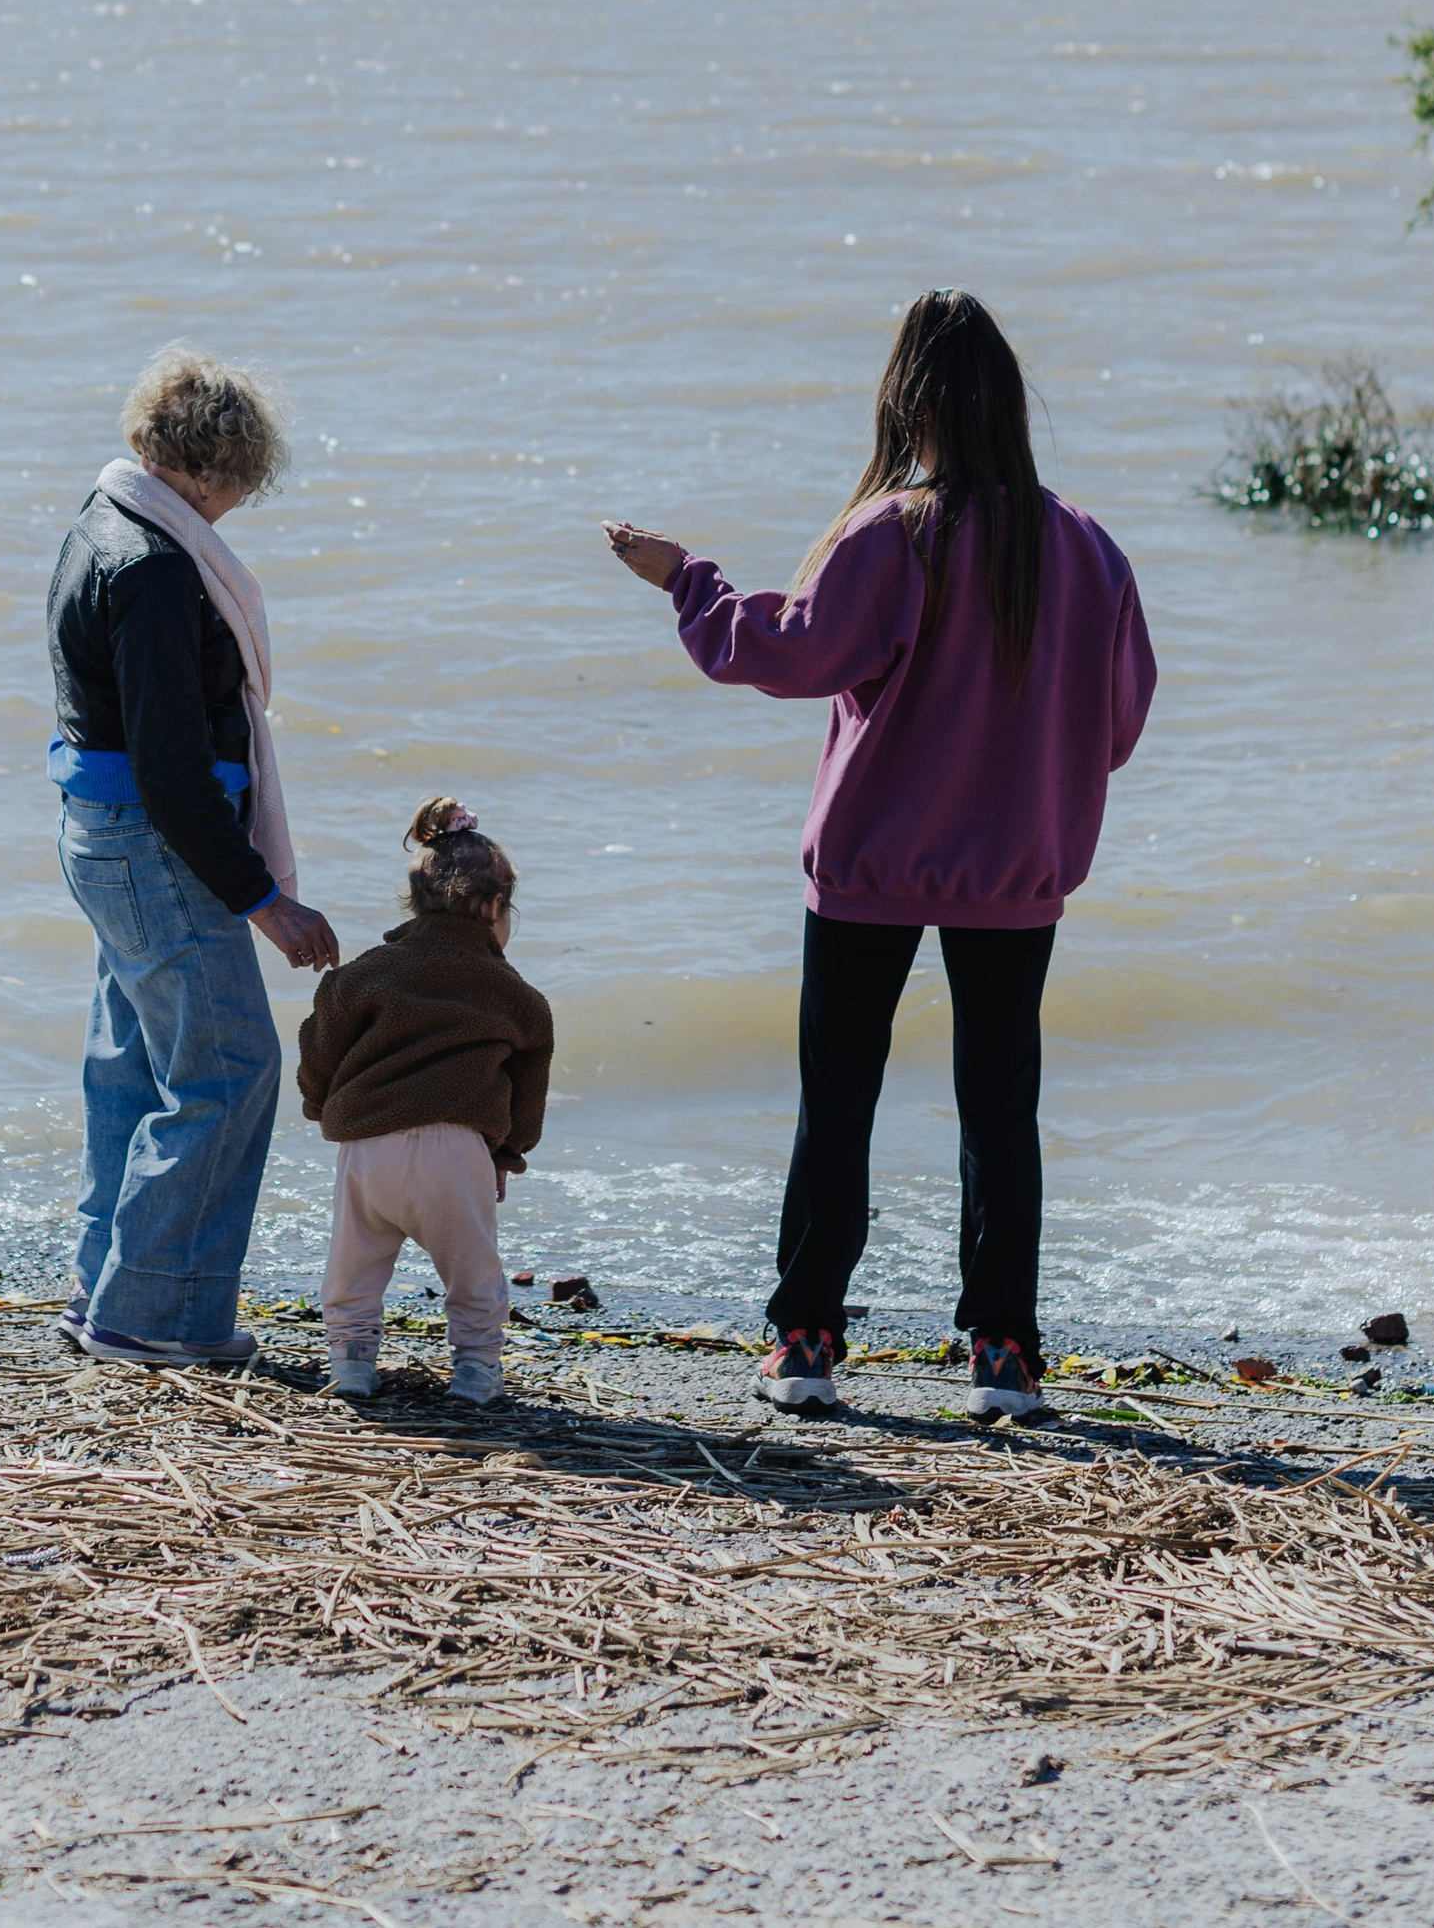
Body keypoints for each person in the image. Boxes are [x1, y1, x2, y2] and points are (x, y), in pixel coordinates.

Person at [604, 289, 1154, 1427]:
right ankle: (1005, 1359)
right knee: (1001, 1109)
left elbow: (784, 652)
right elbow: (1121, 717)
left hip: (867, 870)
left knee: (837, 1099)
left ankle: (806, 1345)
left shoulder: (890, 533)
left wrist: (684, 577)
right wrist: (1035, 778)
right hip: (1016, 874)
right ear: (1009, 402)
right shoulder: (1088, 548)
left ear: (908, 401)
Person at [47, 348, 338, 1370]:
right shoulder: (159, 568)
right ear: (216, 469)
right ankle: (157, 1313)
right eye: (244, 481)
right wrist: (266, 902)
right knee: (228, 1068)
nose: (240, 503)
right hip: (154, 843)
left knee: (130, 1067)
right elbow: (173, 770)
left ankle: (105, 1287)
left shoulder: (101, 521)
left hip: (103, 835)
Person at [296, 797, 553, 1408]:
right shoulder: (517, 996)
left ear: (414, 901)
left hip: (368, 1146)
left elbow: (320, 1050)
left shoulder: (362, 975)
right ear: (496, 908)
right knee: (472, 1272)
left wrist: (321, 1105)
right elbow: (528, 1089)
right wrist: (508, 1153)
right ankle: (475, 1371)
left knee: (355, 1265)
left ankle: (352, 1362)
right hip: (456, 1149)